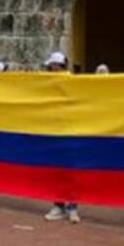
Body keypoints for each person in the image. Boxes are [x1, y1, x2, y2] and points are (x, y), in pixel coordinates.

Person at [42, 52, 81, 224]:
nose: (49, 68)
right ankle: (58, 205)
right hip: (54, 131)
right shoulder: (47, 83)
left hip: (70, 131)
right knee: (55, 171)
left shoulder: (72, 82)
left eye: (51, 66)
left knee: (71, 171)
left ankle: (72, 207)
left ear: (57, 65)